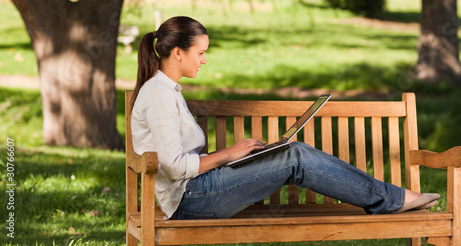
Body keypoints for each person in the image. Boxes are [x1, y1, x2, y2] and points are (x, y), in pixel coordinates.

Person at [130, 16, 440, 220]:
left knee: (292, 153)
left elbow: (181, 157)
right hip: (190, 200)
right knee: (295, 157)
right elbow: (172, 165)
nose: (204, 59)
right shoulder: (158, 94)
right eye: (200, 52)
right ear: (178, 53)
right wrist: (228, 155)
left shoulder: (167, 91)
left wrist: (233, 158)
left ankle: (390, 198)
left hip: (199, 189)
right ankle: (392, 200)